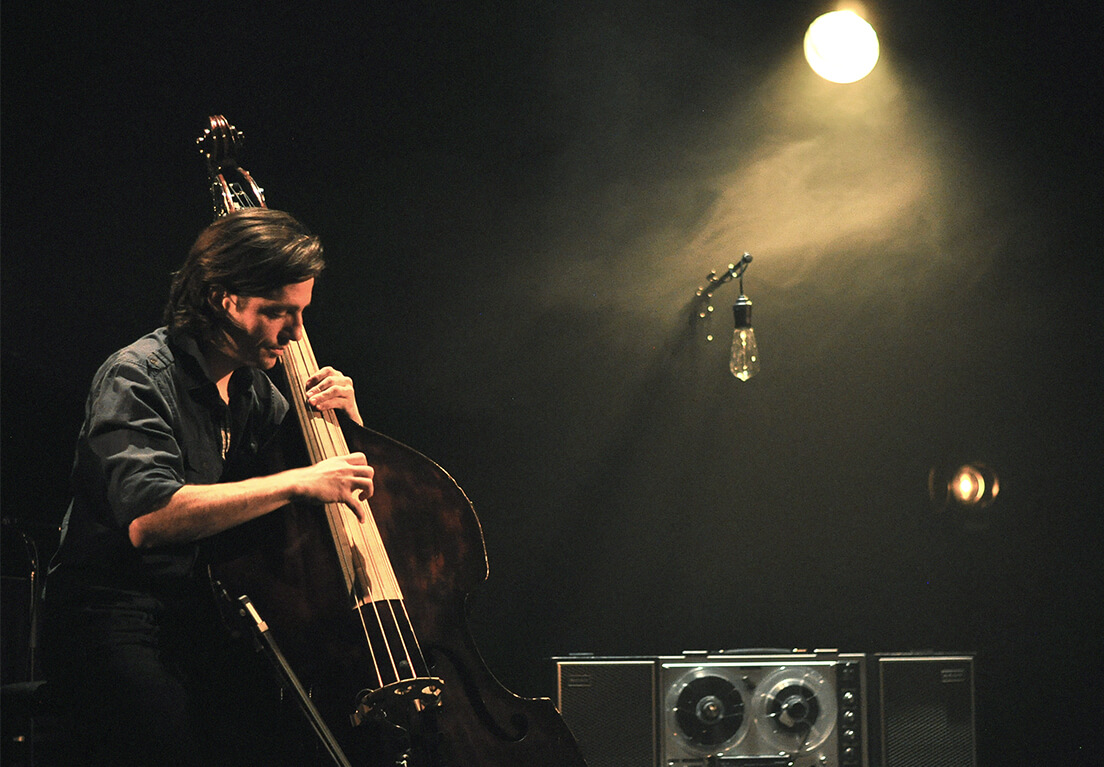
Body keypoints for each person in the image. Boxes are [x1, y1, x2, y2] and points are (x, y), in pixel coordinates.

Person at [43, 207, 376, 766]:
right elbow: (153, 518)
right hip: (116, 620)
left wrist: (347, 420)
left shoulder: (253, 391)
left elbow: (331, 489)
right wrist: (298, 480)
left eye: (301, 314)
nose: (295, 334)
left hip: (204, 620)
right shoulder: (136, 376)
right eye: (278, 314)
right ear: (224, 298)